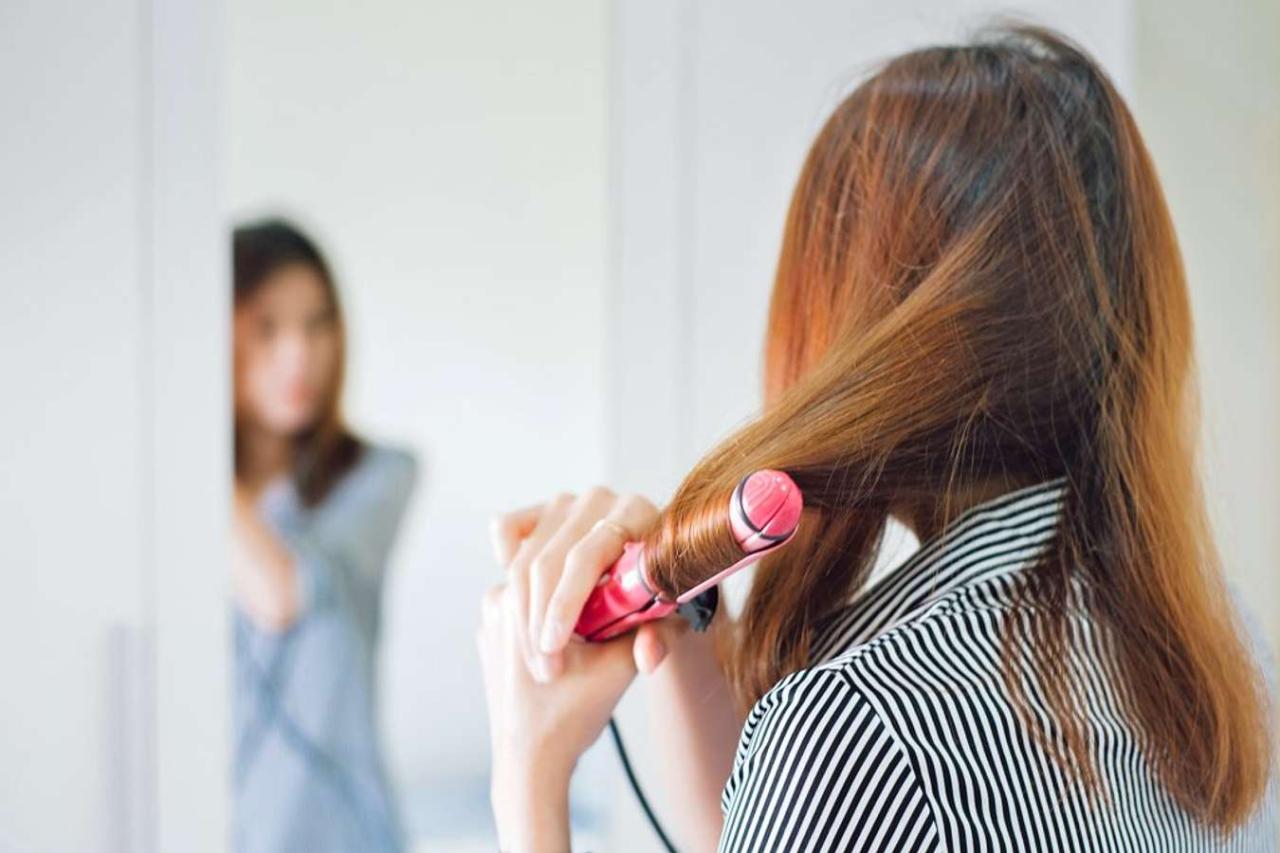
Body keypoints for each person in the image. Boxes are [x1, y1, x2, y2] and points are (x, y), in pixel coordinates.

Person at [477, 25, 1277, 852]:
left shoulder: (857, 730)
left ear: (863, 331)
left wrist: (526, 773)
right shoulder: (1212, 660)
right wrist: (682, 636)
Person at [231, 218, 416, 852]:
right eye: (267, 329)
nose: (300, 354)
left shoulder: (379, 478)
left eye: (318, 325)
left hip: (348, 833)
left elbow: (284, 594)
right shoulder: (180, 517)